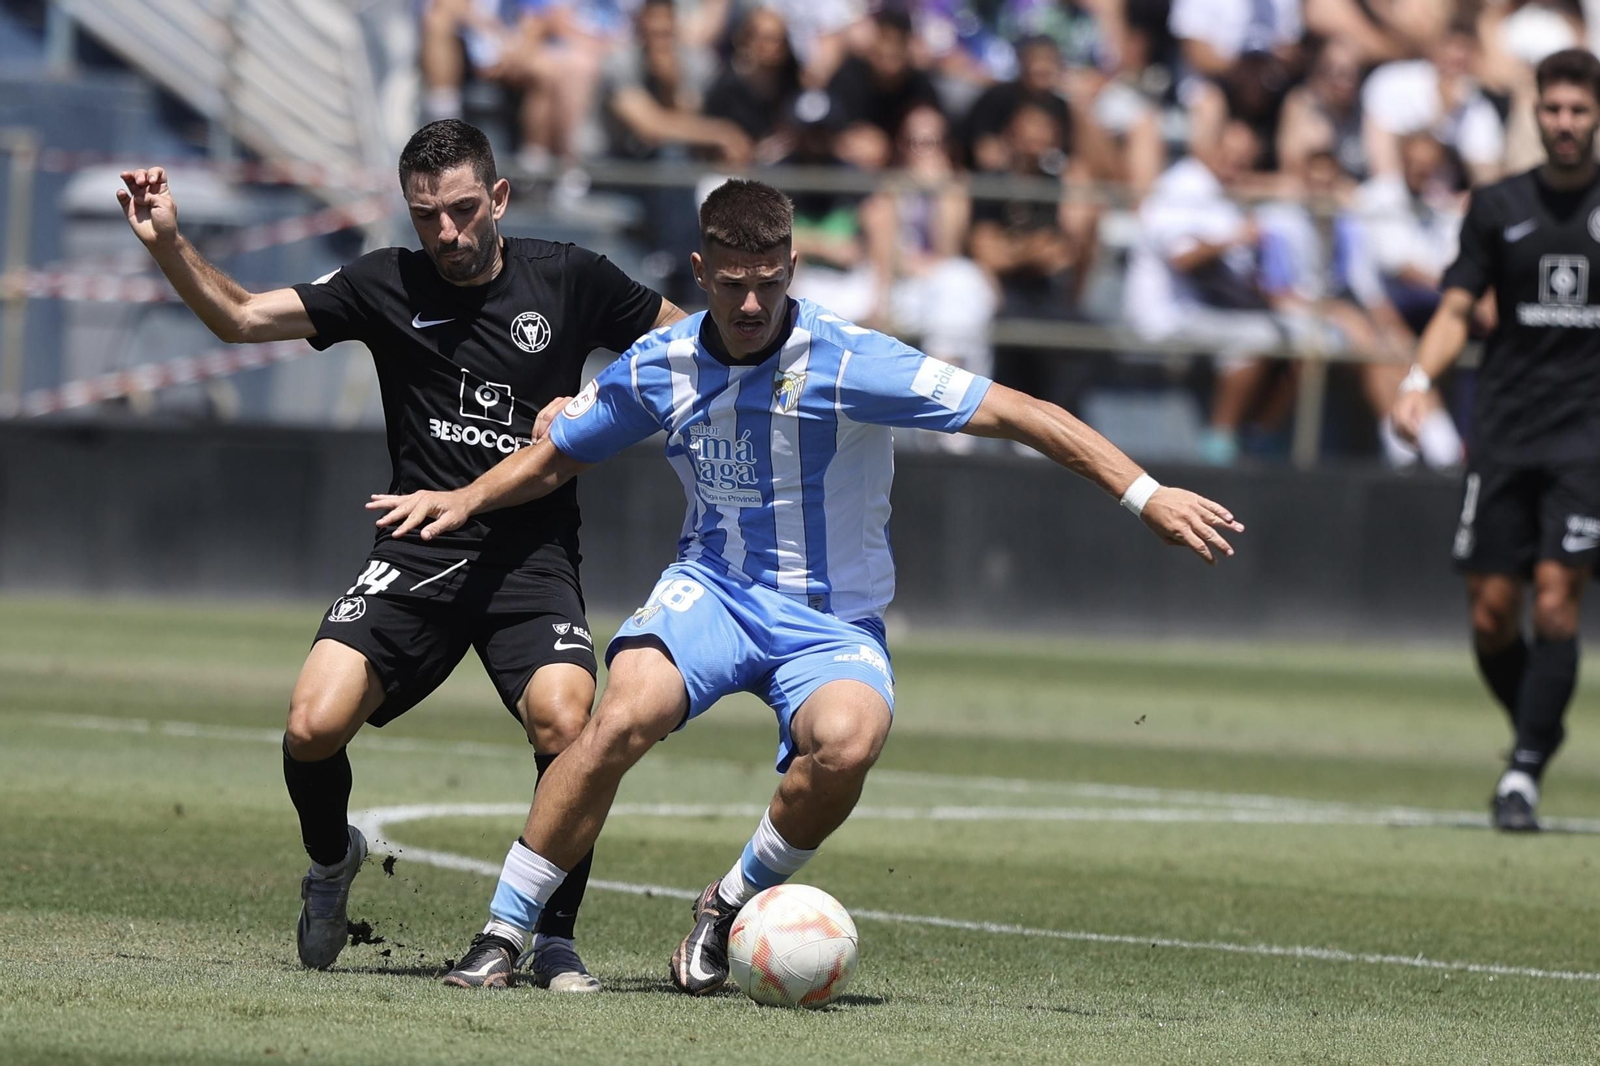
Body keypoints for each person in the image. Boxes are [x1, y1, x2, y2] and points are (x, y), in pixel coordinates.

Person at [367, 178, 1243, 992]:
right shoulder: (661, 362)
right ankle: (505, 931)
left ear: (794, 266)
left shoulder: (855, 359)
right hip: (711, 590)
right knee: (621, 716)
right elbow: (558, 454)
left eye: (768, 283)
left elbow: (1026, 414)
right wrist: (463, 498)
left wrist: (1146, 493)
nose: (751, 305)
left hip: (832, 620)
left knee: (849, 743)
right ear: (702, 271)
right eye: (732, 284)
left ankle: (724, 907)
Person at [115, 119, 684, 983]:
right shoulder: (384, 282)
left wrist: (597, 391)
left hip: (529, 559)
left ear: (498, 198)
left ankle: (555, 938)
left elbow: (691, 342)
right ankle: (331, 860)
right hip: (417, 551)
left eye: (462, 210)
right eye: (428, 217)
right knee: (311, 726)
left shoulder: (568, 277)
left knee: (569, 722)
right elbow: (238, 318)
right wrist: (169, 244)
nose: (447, 234)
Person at [1393, 48, 1600, 832]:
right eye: (1553, 110)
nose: (1566, 124)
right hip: (1507, 430)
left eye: (1580, 111)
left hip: (1587, 438)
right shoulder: (1497, 205)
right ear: (1536, 114)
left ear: (1597, 116)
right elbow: (1453, 311)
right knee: (1490, 614)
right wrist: (1418, 383)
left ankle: (1522, 772)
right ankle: (1540, 726)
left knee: (1556, 599)